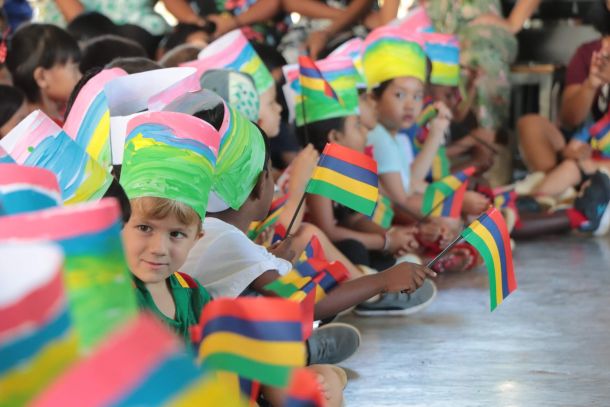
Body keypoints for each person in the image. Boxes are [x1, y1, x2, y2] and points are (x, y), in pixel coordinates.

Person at [5, 23, 81, 124]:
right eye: (74, 68)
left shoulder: (67, 110)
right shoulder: (45, 132)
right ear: (42, 77)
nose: (80, 75)